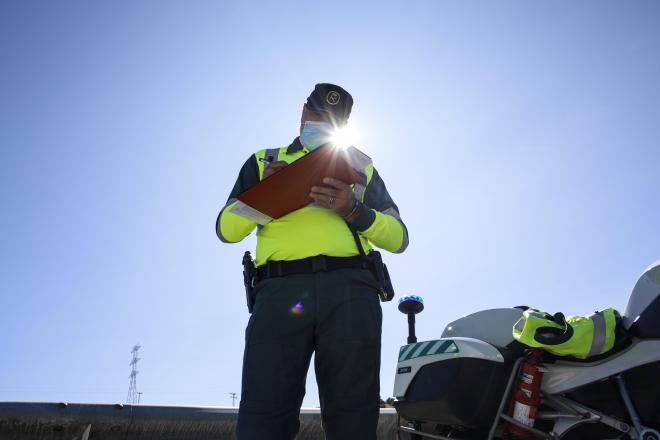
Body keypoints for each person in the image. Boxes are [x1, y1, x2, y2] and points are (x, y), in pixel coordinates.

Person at [216, 83, 409, 440]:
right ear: (303, 110)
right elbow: (226, 229)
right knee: (263, 414)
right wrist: (264, 198)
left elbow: (398, 237)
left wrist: (353, 209)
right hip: (279, 293)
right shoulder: (263, 161)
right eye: (317, 114)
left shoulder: (361, 169)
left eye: (332, 120)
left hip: (351, 291)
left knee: (353, 416)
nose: (321, 122)